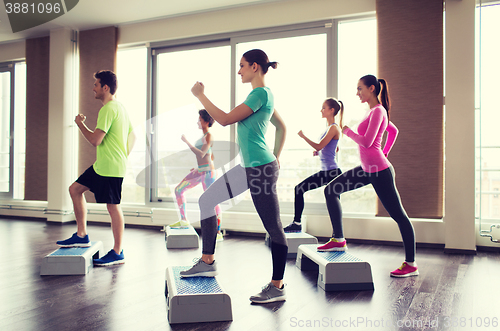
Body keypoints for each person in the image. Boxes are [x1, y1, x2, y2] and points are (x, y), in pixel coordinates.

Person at [182, 49, 288, 304]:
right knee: (207, 200)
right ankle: (207, 260)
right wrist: (276, 156)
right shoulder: (264, 95)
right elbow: (281, 127)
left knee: (273, 226)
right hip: (250, 168)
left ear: (254, 66)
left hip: (260, 170)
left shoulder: (260, 94)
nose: (239, 71)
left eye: (241, 66)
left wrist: (200, 96)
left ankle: (278, 286)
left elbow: (226, 119)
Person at [321, 74, 417, 278]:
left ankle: (411, 264)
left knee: (398, 215)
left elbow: (366, 142)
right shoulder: (372, 112)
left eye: (360, 89)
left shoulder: (379, 111)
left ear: (372, 88)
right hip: (367, 169)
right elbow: (393, 130)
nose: (357, 93)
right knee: (331, 190)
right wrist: (385, 150)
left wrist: (347, 131)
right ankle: (338, 240)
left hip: (380, 172)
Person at [56, 70, 135, 267]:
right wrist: (123, 155)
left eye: (96, 84)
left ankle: (117, 252)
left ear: (105, 87)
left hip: (110, 168)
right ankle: (81, 235)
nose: (93, 88)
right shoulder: (121, 108)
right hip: (103, 166)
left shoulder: (108, 109)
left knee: (113, 206)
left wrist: (80, 124)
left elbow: (95, 140)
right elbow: (133, 136)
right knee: (75, 189)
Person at [283, 98, 344, 232]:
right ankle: (297, 224)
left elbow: (320, 145)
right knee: (299, 189)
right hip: (327, 171)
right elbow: (333, 148)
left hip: (331, 173)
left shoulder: (334, 128)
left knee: (331, 203)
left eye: (323, 107)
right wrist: (319, 152)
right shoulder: (330, 128)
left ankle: (337, 234)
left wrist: (303, 136)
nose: (321, 110)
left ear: (331, 110)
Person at [169, 110, 223, 241]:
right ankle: (183, 220)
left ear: (205, 121)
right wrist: (199, 167)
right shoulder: (203, 137)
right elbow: (211, 155)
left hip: (208, 173)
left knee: (212, 200)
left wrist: (187, 142)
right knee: (178, 190)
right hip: (200, 171)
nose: (197, 122)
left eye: (199, 119)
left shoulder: (209, 136)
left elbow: (202, 154)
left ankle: (218, 232)